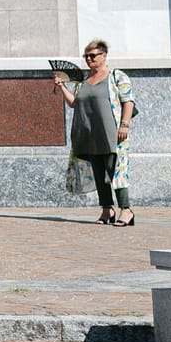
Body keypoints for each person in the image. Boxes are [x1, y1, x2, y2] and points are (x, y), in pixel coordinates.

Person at [53, 40, 138, 226]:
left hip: (111, 133)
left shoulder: (117, 76)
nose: (89, 59)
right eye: (86, 56)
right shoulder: (84, 81)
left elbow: (128, 101)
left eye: (93, 55)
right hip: (88, 134)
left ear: (104, 56)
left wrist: (124, 125)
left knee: (115, 170)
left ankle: (126, 209)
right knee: (99, 174)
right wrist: (61, 87)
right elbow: (74, 103)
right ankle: (107, 209)